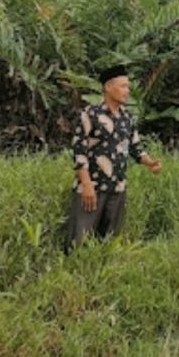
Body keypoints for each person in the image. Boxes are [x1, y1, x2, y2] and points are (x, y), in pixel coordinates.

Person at [66, 64, 162, 250]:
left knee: (109, 241)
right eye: (123, 86)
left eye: (128, 86)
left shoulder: (127, 118)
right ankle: (75, 274)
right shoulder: (90, 114)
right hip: (92, 189)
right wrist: (86, 185)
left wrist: (150, 163)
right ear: (108, 87)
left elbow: (135, 148)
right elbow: (79, 152)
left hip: (117, 188)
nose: (127, 91)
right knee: (79, 241)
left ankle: (104, 272)